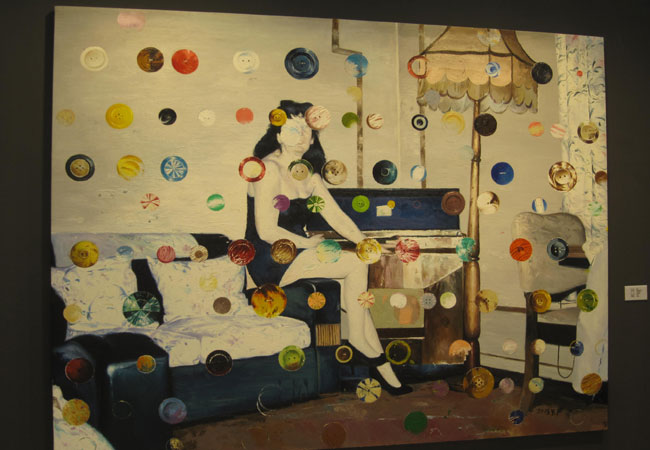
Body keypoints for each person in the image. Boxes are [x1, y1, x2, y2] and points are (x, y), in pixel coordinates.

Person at [245, 100, 411, 395]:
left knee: (357, 300)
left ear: (313, 138)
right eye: (293, 130)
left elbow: (337, 217)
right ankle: (357, 341)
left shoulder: (308, 175)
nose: (301, 137)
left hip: (299, 253)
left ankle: (387, 375)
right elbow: (266, 231)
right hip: (270, 258)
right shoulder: (268, 169)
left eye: (307, 131)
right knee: (355, 264)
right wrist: (308, 243)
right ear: (278, 135)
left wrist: (367, 244)